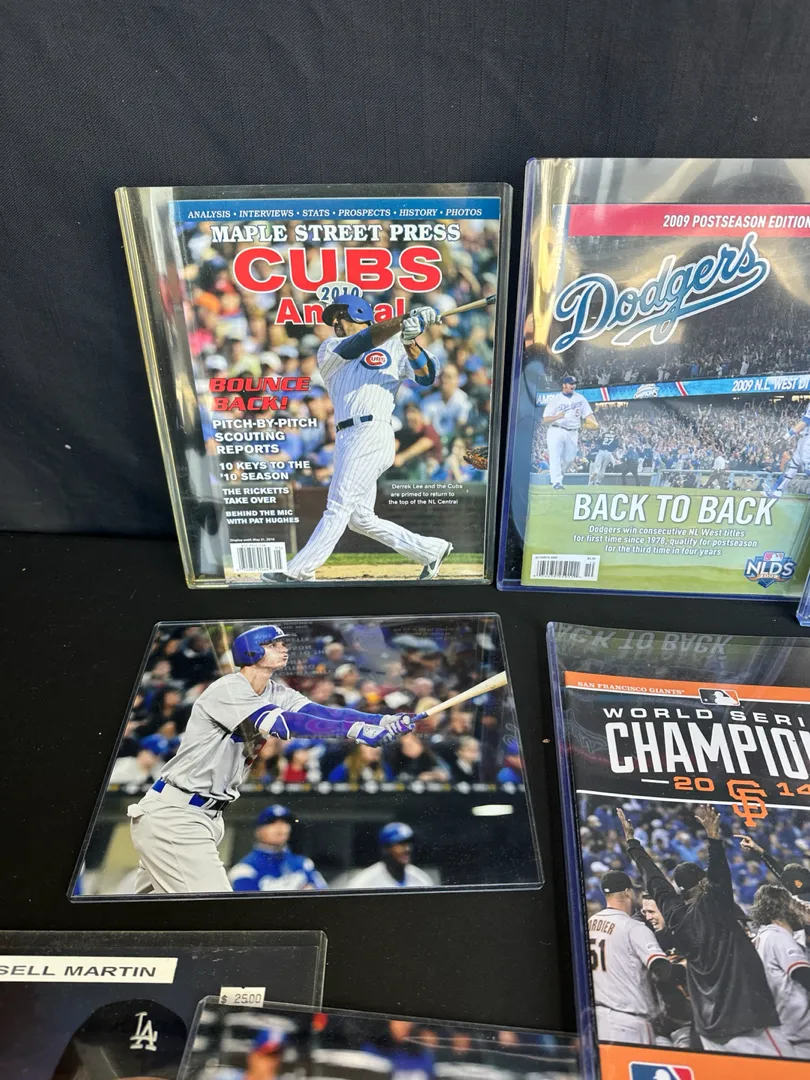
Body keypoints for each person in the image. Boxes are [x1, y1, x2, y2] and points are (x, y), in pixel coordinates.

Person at [125, 625, 420, 895]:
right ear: (251, 651)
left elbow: (322, 713)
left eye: (283, 643)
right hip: (178, 814)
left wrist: (381, 720)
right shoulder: (229, 688)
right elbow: (286, 724)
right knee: (215, 911)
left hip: (201, 815)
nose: (283, 648)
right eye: (274, 644)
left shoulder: (274, 691)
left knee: (148, 914)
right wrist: (357, 732)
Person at [263, 295, 453, 582]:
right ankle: (431, 550)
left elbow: (427, 377)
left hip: (372, 431)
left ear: (359, 312)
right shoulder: (330, 348)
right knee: (360, 519)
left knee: (338, 505)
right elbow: (363, 341)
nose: (334, 322)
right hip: (345, 436)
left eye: (339, 314)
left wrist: (410, 342)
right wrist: (404, 320)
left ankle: (298, 571)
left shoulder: (395, 344)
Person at [617, 804, 787, 1056]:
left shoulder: (674, 914)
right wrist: (714, 838)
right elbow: (719, 875)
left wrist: (633, 845)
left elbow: (654, 880)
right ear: (702, 881)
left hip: (709, 1027)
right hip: (747, 1019)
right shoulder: (715, 904)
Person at [588, 870, 674, 1044]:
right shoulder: (633, 927)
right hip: (629, 1022)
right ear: (628, 892)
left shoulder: (590, 923)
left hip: (598, 1018)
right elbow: (661, 969)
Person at [751, 884, 810, 1058]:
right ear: (781, 908)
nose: (799, 908)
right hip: (799, 1029)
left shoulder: (765, 936)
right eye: (793, 904)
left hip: (787, 1026)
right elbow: (802, 973)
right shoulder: (778, 936)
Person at [229, 804, 326, 892]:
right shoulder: (245, 869)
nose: (280, 827)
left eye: (285, 822)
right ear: (259, 830)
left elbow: (324, 896)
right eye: (272, 822)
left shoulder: (303, 863)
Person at [542, 375, 597, 488]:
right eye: (571, 383)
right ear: (564, 385)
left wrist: (595, 423)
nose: (573, 385)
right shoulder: (555, 400)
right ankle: (556, 482)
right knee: (555, 456)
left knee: (569, 458)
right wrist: (557, 417)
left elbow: (588, 414)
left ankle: (558, 477)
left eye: (574, 384)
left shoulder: (580, 398)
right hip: (556, 429)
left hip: (573, 432)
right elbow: (545, 420)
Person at [348, 822, 432, 889]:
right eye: (401, 844)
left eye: (409, 843)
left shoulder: (421, 879)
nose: (407, 849)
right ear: (385, 849)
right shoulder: (364, 882)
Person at [328, 743, 393, 783]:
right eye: (370, 745)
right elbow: (332, 781)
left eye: (378, 745)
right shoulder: (347, 766)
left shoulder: (384, 768)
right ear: (359, 748)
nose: (375, 749)